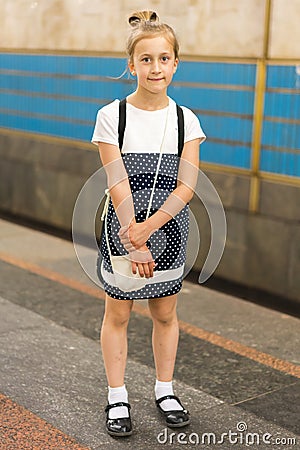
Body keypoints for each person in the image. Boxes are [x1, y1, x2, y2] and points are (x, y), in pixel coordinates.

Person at [91, 10, 206, 437]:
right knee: (118, 313)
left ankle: (164, 389)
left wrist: (151, 229)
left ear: (176, 63)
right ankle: (117, 396)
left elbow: (187, 187)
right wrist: (133, 239)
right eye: (146, 59)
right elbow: (117, 184)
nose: (155, 68)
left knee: (165, 313)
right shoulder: (112, 116)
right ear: (131, 64)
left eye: (163, 59)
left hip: (170, 229)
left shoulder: (185, 121)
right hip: (123, 227)